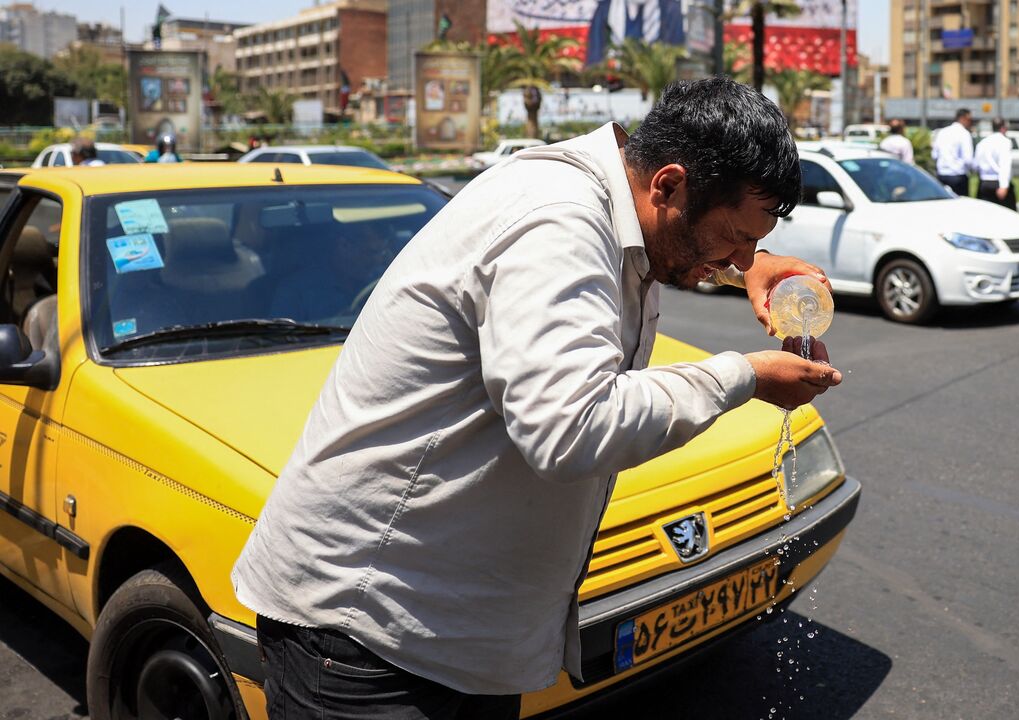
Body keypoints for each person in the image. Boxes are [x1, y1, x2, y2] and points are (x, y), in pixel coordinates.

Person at [232, 77, 841, 720]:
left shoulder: (610, 201)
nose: (742, 254)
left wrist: (746, 264)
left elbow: (666, 240)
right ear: (668, 183)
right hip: (368, 642)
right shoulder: (558, 222)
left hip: (449, 636)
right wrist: (743, 376)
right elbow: (570, 426)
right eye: (734, 236)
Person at [268, 223, 388, 321]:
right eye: (372, 252)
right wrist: (335, 324)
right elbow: (282, 339)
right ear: (344, 246)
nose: (379, 260)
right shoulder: (297, 291)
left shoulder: (382, 281)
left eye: (382, 252)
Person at [973, 118, 1016, 211]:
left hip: (984, 182)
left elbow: (975, 165)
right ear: (1003, 128)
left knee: (986, 215)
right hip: (998, 183)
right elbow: (1005, 165)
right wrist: (1004, 185)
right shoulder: (1004, 142)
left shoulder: (982, 143)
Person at [932, 108, 974, 196]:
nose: (971, 123)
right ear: (963, 118)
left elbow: (934, 155)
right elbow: (968, 159)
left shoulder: (942, 132)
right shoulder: (964, 133)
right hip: (958, 176)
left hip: (942, 175)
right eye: (970, 120)